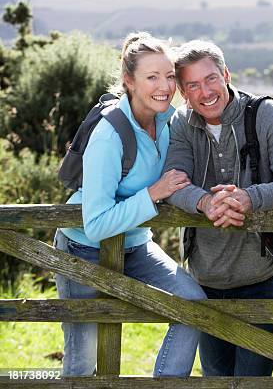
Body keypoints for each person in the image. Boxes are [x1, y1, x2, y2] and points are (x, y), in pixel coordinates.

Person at [54, 32, 207, 377]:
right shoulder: (110, 134)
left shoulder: (170, 122)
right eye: (152, 77)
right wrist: (153, 193)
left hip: (135, 245)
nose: (165, 86)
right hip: (82, 248)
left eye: (169, 76)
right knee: (82, 362)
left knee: (193, 306)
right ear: (129, 81)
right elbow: (96, 224)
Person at [162, 40, 273, 377]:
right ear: (183, 92)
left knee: (253, 382)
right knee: (215, 380)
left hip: (261, 278)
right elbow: (174, 181)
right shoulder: (182, 124)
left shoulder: (263, 114)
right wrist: (205, 202)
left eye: (211, 79)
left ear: (226, 75)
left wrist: (249, 198)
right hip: (203, 280)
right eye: (193, 85)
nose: (205, 92)